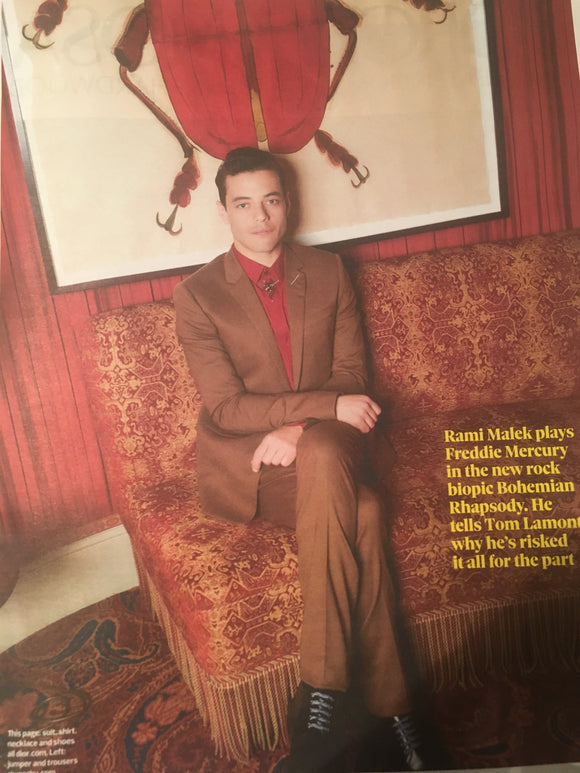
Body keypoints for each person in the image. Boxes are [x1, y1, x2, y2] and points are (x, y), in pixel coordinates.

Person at [173, 147, 442, 773]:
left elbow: (353, 376)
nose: (260, 216)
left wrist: (302, 427)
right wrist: (309, 417)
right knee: (366, 514)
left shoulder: (329, 271)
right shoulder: (198, 296)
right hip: (259, 464)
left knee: (321, 445)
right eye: (244, 204)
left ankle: (321, 693)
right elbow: (226, 407)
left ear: (288, 203)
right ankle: (396, 711)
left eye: (271, 200)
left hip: (333, 443)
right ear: (223, 211)